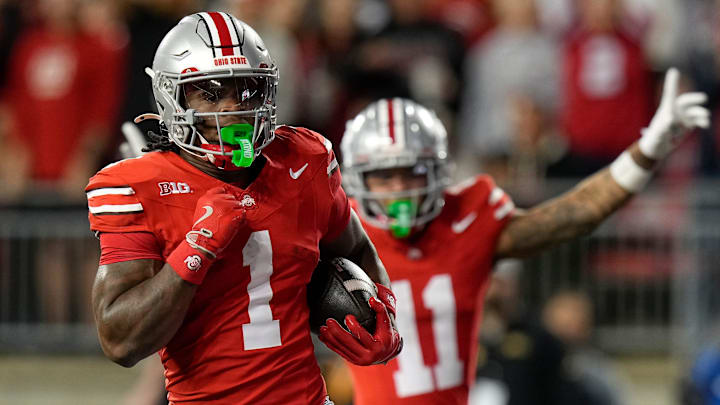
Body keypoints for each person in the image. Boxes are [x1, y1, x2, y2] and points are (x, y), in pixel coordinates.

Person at [338, 69, 709, 405]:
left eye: (413, 172)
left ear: (437, 170)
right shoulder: (340, 235)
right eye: (384, 177)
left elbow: (577, 214)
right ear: (358, 179)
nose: (400, 189)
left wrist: (647, 151)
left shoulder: (467, 223)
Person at [85, 12, 402, 404]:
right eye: (211, 93)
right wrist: (196, 249)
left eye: (247, 90)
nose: (233, 108)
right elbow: (120, 341)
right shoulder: (137, 186)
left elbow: (355, 248)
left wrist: (383, 308)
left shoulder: (304, 159)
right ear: (173, 97)